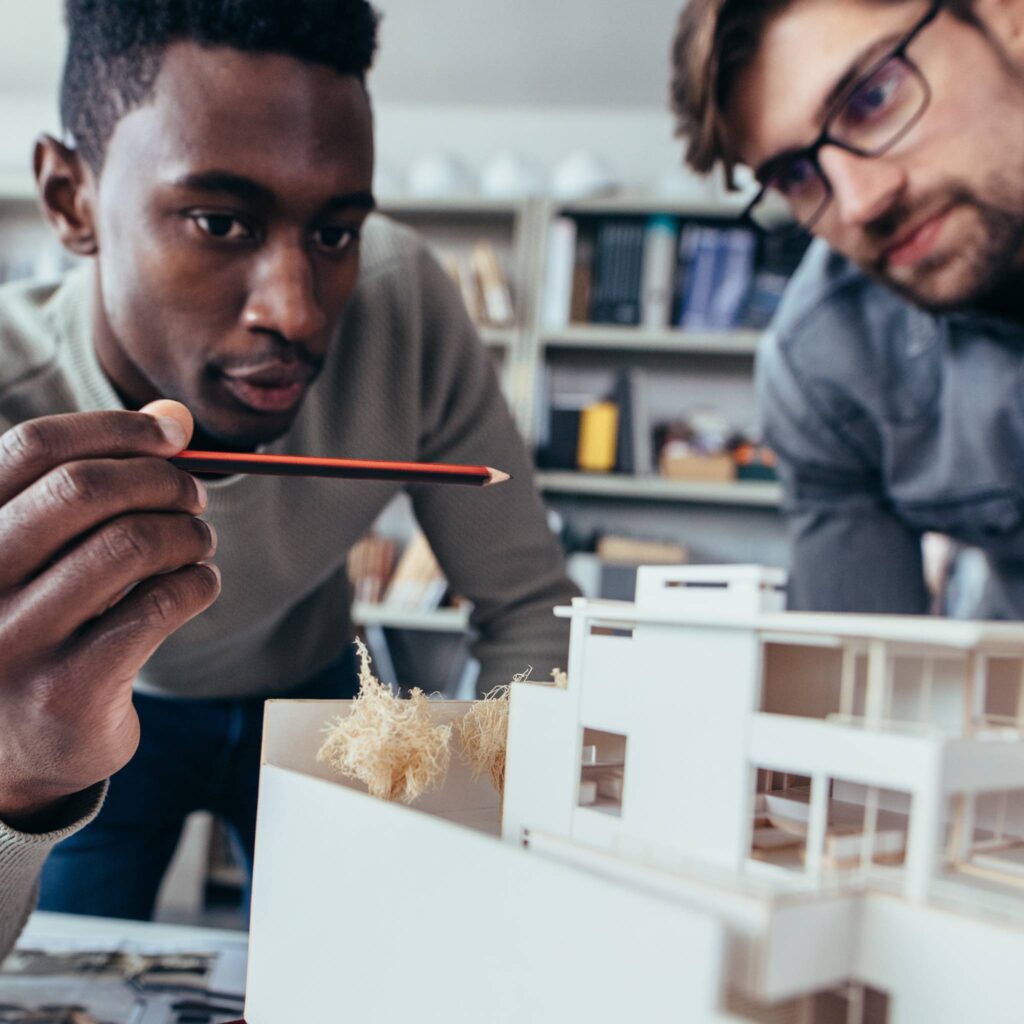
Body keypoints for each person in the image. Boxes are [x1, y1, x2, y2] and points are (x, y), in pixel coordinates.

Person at [0, 0, 576, 950]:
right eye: (220, 221)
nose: (298, 313)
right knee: (67, 973)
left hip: (312, 694)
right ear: (72, 198)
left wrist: (488, 836)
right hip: (89, 722)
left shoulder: (407, 307)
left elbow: (528, 610)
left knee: (362, 966)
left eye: (336, 234)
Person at [671, 0, 1024, 613]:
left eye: (873, 98)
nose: (861, 203)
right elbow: (860, 693)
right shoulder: (828, 363)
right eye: (797, 175)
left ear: (1005, 16)